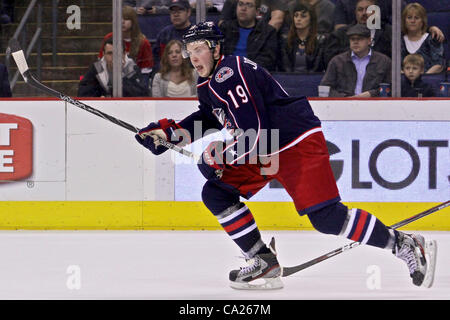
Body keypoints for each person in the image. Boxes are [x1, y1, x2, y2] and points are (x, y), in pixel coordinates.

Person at [134, 21, 436, 289]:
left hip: (293, 141)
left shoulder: (230, 72)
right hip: (267, 148)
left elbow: (256, 132)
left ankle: (404, 244)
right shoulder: (209, 82)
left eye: (199, 48)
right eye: (189, 49)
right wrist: (170, 135)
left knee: (327, 218)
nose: (193, 56)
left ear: (215, 50)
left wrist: (216, 158)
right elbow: (211, 118)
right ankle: (262, 259)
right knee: (216, 193)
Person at [320, 24, 391, 97]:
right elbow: (325, 88)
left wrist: (371, 94)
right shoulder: (337, 61)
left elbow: (390, 88)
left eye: (360, 39)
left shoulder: (383, 61)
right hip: (343, 105)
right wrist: (344, 98)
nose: (355, 42)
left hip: (374, 104)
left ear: (369, 41)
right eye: (352, 39)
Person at [99, 6, 154, 88]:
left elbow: (145, 71)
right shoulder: (109, 38)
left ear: (133, 21)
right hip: (110, 80)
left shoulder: (143, 42)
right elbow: (101, 64)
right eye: (120, 18)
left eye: (126, 19)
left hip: (134, 84)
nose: (122, 22)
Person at [323, 0, 392, 67]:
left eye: (368, 9)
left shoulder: (388, 33)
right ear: (355, 13)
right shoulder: (341, 34)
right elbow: (329, 60)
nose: (364, 13)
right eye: (360, 10)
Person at [219, 0, 278, 71]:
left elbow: (267, 61)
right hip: (226, 72)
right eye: (240, 4)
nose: (243, 8)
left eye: (249, 5)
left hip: (252, 74)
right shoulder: (225, 28)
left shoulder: (268, 32)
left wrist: (245, 69)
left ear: (257, 12)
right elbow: (218, 54)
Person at [78, 38, 148, 97]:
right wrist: (100, 97)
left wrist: (122, 75)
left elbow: (142, 94)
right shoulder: (97, 68)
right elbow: (82, 93)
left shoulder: (132, 68)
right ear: (103, 54)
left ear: (124, 54)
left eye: (118, 53)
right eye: (110, 53)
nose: (114, 57)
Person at [281, 2, 326, 72]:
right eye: (296, 16)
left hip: (313, 79)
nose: (298, 19)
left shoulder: (320, 40)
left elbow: (317, 68)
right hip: (289, 79)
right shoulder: (285, 39)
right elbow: (285, 67)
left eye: (303, 16)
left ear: (311, 19)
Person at [401, 2, 444, 74]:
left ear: (422, 21)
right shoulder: (398, 39)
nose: (412, 21)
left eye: (416, 18)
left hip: (428, 80)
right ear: (404, 21)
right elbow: (394, 64)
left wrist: (423, 77)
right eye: (409, 17)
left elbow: (438, 65)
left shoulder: (432, 38)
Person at [153, 0, 193, 72]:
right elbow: (156, 59)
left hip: (191, 76)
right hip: (168, 75)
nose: (176, 14)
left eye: (180, 10)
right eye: (173, 11)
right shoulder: (164, 34)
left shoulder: (196, 34)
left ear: (188, 12)